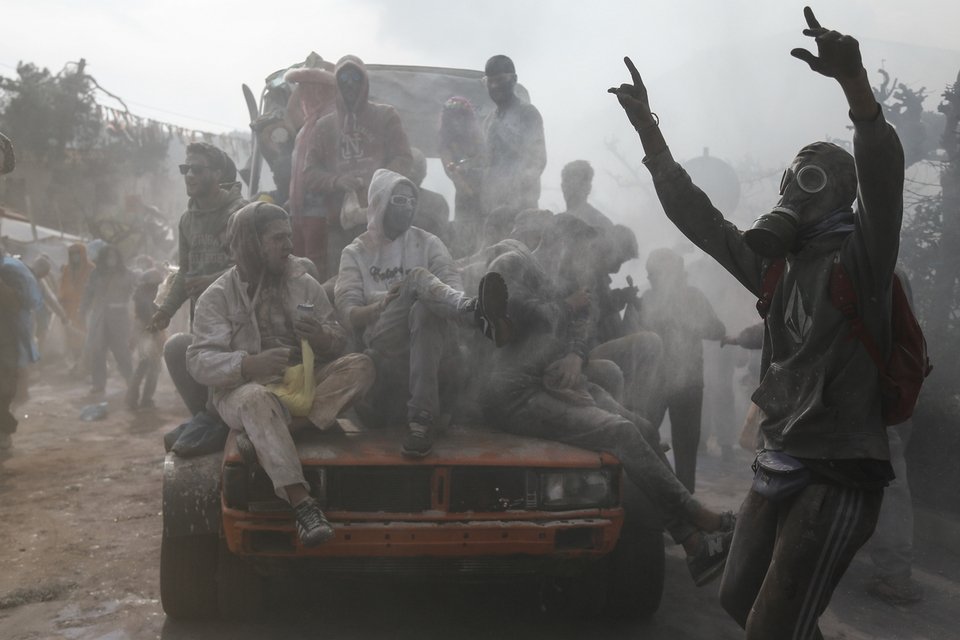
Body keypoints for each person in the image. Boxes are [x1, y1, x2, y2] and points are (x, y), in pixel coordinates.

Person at [610, 7, 903, 637]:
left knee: (773, 624)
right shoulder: (776, 268)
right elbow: (700, 218)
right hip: (782, 455)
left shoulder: (864, 260)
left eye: (814, 177)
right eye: (793, 176)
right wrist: (650, 138)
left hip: (840, 467)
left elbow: (882, 177)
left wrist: (857, 92)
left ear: (842, 195)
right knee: (739, 598)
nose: (796, 189)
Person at [481, 243, 735, 586]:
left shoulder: (549, 273)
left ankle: (692, 544)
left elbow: (584, 318)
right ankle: (697, 521)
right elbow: (518, 309)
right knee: (621, 432)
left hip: (557, 379)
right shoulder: (509, 262)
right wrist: (565, 306)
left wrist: (574, 353)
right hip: (517, 394)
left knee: (642, 426)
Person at [187, 202, 376, 547]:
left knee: (361, 366)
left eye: (289, 236)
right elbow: (199, 361)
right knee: (257, 399)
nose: (289, 245)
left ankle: (276, 431)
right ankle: (303, 505)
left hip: (302, 384)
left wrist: (320, 335)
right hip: (242, 391)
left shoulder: (303, 284)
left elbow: (339, 340)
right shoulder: (217, 296)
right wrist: (248, 365)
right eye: (278, 238)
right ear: (250, 243)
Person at [334, 168, 510, 457]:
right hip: (382, 334)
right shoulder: (356, 252)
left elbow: (452, 288)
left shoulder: (428, 242)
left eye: (411, 200)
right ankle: (475, 315)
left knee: (425, 311)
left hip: (434, 336)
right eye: (399, 200)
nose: (408, 207)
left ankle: (421, 421)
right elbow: (348, 313)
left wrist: (425, 298)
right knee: (416, 278)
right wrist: (380, 305)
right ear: (380, 202)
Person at [150, 142, 247, 416]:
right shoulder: (186, 221)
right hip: (203, 315)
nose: (189, 175)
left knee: (234, 379)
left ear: (217, 174)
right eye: (185, 168)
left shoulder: (240, 213)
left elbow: (250, 266)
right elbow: (185, 271)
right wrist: (165, 311)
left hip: (238, 315)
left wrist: (210, 281)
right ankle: (206, 422)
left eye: (197, 169)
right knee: (191, 364)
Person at [304, 55, 414, 280]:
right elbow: (309, 174)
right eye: (343, 78)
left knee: (389, 282)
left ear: (364, 82)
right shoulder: (324, 127)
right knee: (343, 285)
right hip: (340, 226)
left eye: (355, 77)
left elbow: (404, 158)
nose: (350, 84)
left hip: (384, 222)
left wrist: (378, 182)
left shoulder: (385, 116)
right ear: (337, 84)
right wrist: (337, 181)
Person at [638, 248, 725, 492]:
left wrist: (689, 324)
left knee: (674, 444)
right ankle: (672, 495)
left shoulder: (658, 299)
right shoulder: (653, 299)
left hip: (679, 383)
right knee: (654, 440)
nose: (650, 279)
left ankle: (680, 501)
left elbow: (716, 330)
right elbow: (717, 329)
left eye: (652, 274)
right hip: (667, 383)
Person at [285, 61, 338, 274]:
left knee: (314, 269)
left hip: (321, 210)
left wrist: (326, 70)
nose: (303, 95)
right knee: (297, 265)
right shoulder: (306, 127)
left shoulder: (331, 121)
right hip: (299, 210)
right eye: (301, 89)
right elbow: (290, 111)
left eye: (308, 89)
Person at [480, 55, 546, 215]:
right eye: (490, 81)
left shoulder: (528, 113)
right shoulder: (489, 120)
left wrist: (516, 194)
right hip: (493, 208)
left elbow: (537, 160)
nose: (494, 86)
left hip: (522, 207)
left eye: (500, 80)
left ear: (514, 79)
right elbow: (487, 163)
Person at [81, 244, 134, 396]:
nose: (112, 260)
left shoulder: (127, 274)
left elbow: (134, 293)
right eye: (108, 256)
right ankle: (98, 384)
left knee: (121, 351)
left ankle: (131, 380)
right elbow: (88, 292)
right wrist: (82, 309)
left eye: (114, 256)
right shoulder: (96, 274)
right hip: (99, 317)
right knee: (97, 351)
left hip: (119, 317)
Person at [438, 96, 485, 256]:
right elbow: (451, 170)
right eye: (453, 118)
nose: (457, 122)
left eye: (460, 116)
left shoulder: (480, 137)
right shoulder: (446, 143)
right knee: (464, 243)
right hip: (465, 199)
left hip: (487, 195)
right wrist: (468, 191)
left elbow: (488, 160)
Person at [127, 268, 166, 411]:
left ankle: (133, 398)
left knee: (144, 366)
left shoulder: (141, 294)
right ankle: (145, 399)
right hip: (148, 331)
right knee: (152, 367)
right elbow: (149, 317)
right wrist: (155, 333)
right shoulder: (146, 297)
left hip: (145, 331)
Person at [59, 243, 95, 367]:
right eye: (72, 253)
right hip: (69, 308)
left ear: (82, 254)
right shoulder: (67, 269)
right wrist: (61, 300)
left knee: (86, 335)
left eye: (77, 253)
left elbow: (95, 290)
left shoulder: (91, 269)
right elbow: (62, 287)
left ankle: (87, 363)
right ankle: (77, 363)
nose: (75, 256)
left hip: (85, 308)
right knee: (71, 336)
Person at [408, 148, 451, 243]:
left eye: (418, 167)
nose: (412, 172)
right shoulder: (384, 198)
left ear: (424, 174)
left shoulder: (436, 202)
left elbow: (442, 239)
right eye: (408, 166)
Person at [559, 160, 614, 230]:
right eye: (565, 181)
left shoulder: (600, 223)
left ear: (588, 187)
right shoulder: (558, 223)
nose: (566, 187)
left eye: (573, 184)